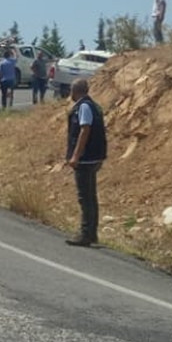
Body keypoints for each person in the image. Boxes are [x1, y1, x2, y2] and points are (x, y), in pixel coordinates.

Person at [63, 78, 106, 247]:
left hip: (86, 158)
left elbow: (85, 130)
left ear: (75, 91)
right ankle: (91, 233)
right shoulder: (94, 106)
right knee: (91, 196)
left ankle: (86, 233)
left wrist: (75, 156)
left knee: (85, 198)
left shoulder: (84, 107)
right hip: (93, 157)